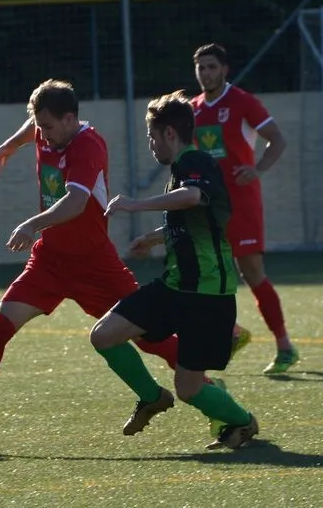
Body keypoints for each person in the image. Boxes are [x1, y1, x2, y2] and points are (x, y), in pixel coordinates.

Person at [0, 79, 185, 415]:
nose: (43, 134)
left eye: (48, 127)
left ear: (69, 119)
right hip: (49, 262)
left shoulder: (88, 145)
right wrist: (9, 147)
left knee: (153, 339)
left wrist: (32, 224)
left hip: (96, 266)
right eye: (40, 127)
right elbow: (32, 127)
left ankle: (208, 395)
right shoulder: (48, 130)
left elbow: (76, 202)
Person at [93, 90, 259, 450]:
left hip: (207, 295)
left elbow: (193, 197)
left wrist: (135, 205)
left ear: (169, 133)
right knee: (104, 335)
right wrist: (154, 239)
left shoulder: (196, 160)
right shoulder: (179, 173)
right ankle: (151, 397)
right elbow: (190, 219)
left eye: (152, 135)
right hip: (174, 287)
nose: (151, 144)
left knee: (189, 389)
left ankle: (243, 422)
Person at [190, 43, 299, 375]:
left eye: (211, 66)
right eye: (200, 67)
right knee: (204, 273)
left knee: (251, 272)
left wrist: (258, 169)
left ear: (225, 69)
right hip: (209, 205)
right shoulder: (193, 109)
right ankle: (233, 333)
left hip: (241, 203)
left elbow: (277, 139)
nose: (205, 73)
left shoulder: (243, 102)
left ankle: (284, 346)